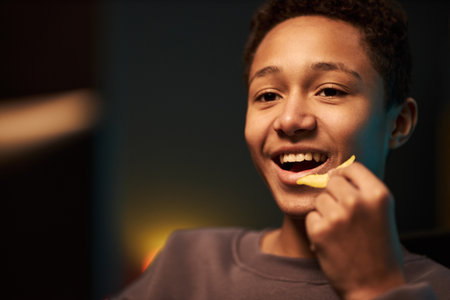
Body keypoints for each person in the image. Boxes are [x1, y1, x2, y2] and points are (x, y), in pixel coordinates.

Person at [112, 0, 450, 299]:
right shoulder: (185, 262)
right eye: (268, 96)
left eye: (330, 91)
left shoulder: (440, 287)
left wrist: (376, 290)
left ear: (399, 123)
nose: (289, 120)